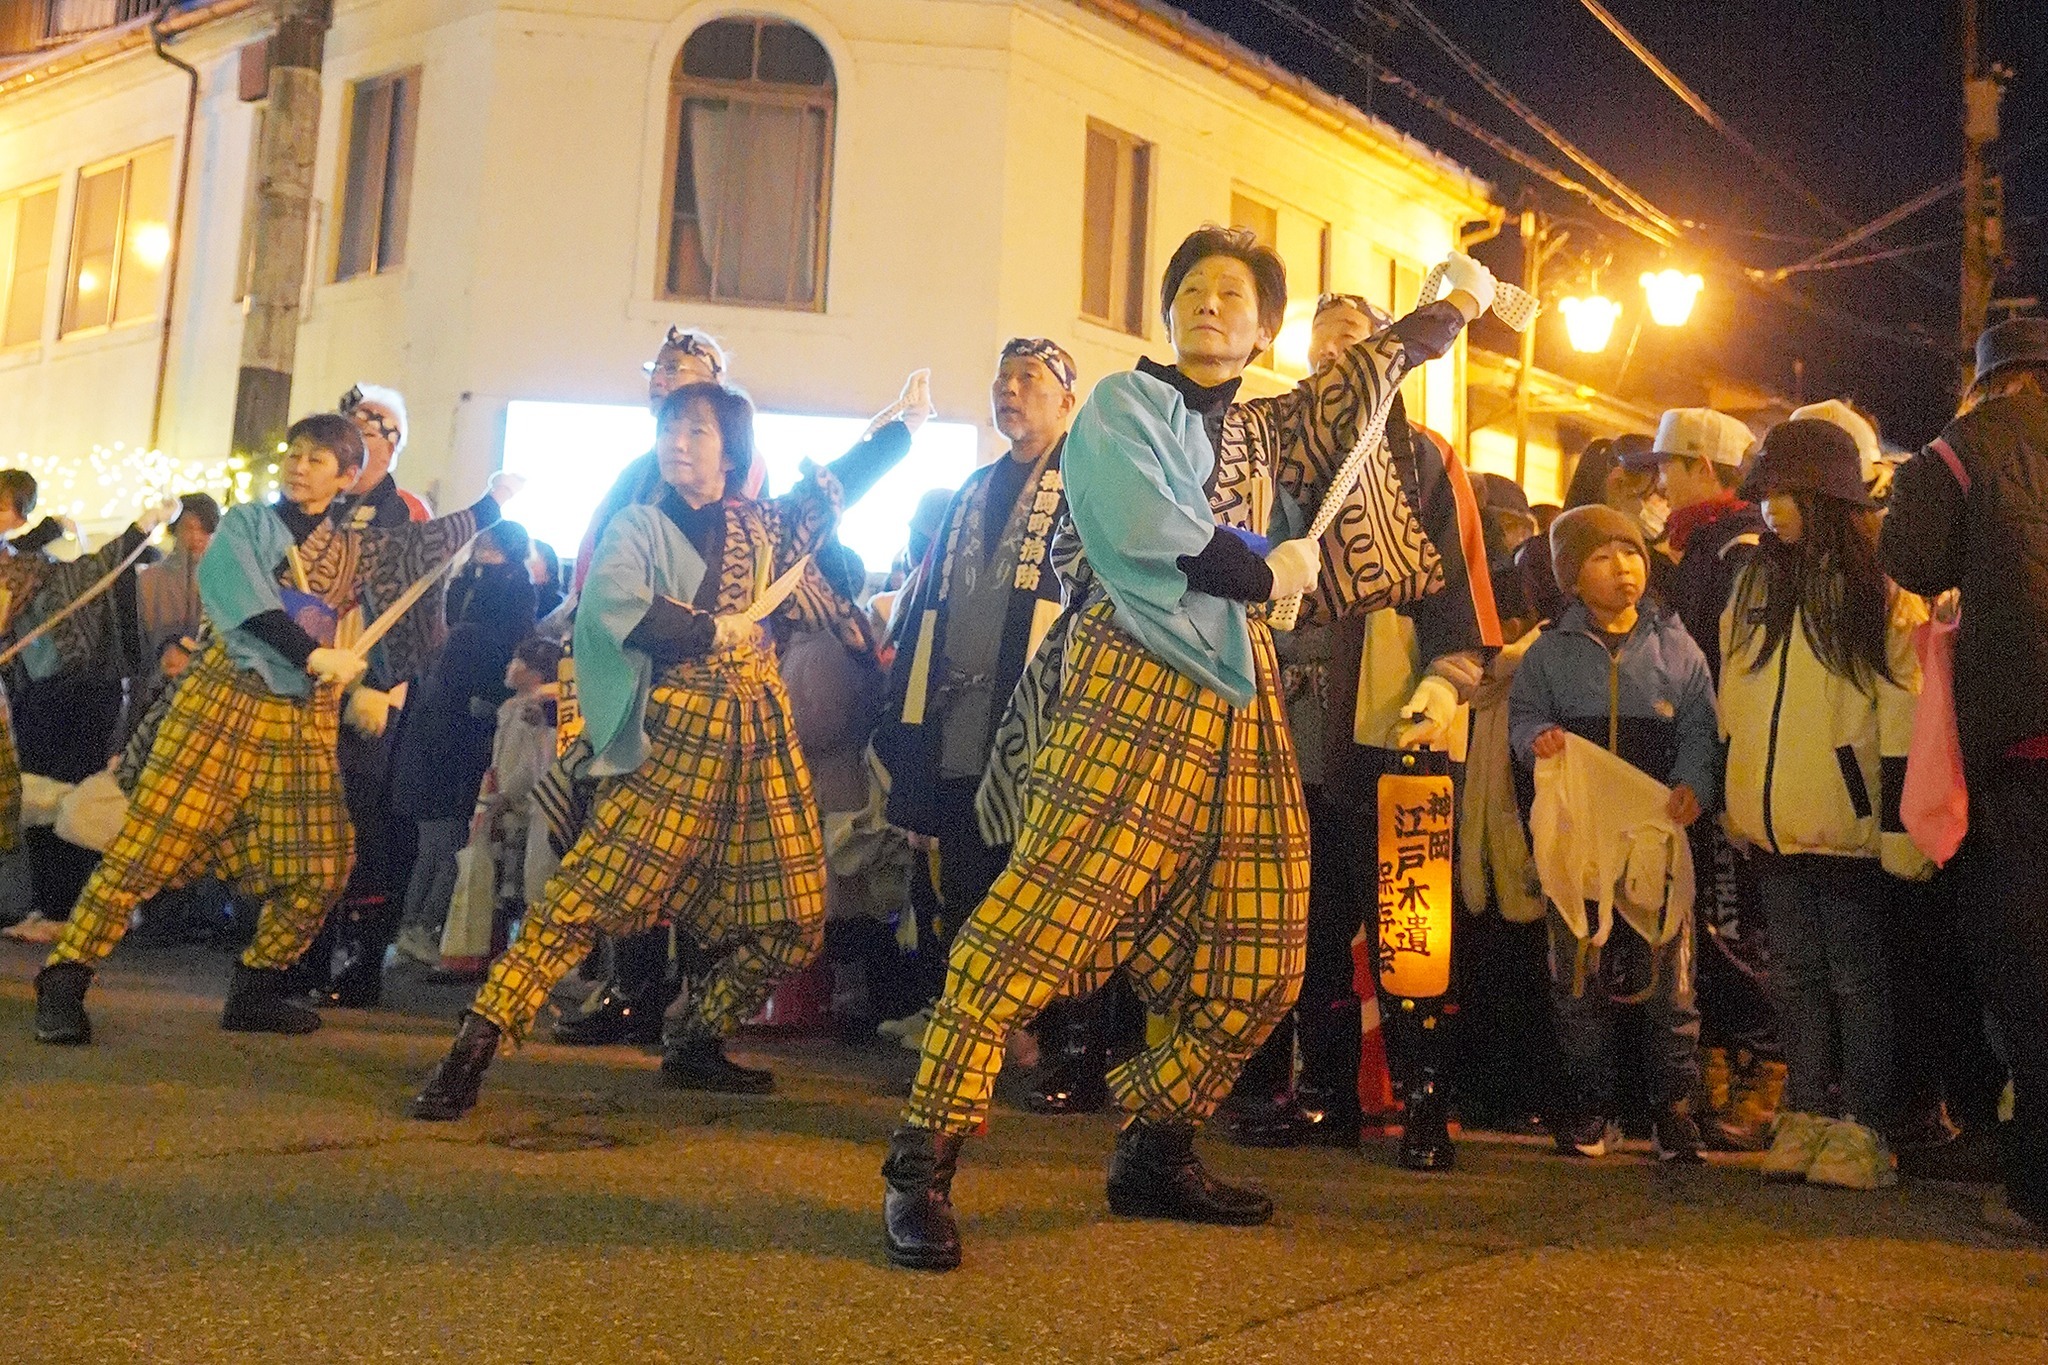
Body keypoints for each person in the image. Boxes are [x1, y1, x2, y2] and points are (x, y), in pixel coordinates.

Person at [881, 225, 1486, 1272]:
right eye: (1194, 291)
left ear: (1261, 330)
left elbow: (1350, 399)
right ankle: (921, 1158)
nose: (1213, 306)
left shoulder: (1262, 423)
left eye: (1236, 296)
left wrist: (1433, 322)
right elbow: (1139, 526)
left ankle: (1154, 1143)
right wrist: (1264, 566)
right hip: (1132, 677)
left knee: (1261, 955)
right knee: (1036, 924)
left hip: (1243, 695)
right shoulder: (1122, 404)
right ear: (1166, 314)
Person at [408, 379, 908, 1119]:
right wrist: (711, 631)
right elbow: (620, 607)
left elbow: (835, 490)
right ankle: (474, 1044)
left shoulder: (766, 526)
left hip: (759, 736)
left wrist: (899, 430)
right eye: (671, 429)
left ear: (731, 451)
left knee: (796, 915)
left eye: (698, 432)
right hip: (674, 732)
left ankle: (699, 1036)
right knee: (583, 899)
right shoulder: (635, 526)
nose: (678, 442)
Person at [32, 414, 520, 1045]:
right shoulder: (245, 524)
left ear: (347, 477)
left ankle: (257, 985)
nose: (299, 466)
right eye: (294, 453)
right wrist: (316, 655)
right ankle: (65, 978)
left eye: (319, 459)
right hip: (220, 705)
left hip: (301, 718)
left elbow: (421, 549)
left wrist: (492, 502)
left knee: (323, 864)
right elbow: (243, 598)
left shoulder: (355, 546)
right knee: (145, 852)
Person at [551, 327, 927, 1047]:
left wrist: (895, 436)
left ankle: (687, 1013)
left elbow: (794, 531)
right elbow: (601, 589)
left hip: (720, 697)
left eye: (691, 383)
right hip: (629, 681)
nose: (671, 389)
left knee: (713, 872)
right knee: (606, 856)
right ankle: (625, 991)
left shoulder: (742, 496)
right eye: (663, 375)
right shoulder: (636, 480)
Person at [1218, 291, 1503, 1172]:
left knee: (1408, 925)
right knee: (1300, 922)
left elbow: (1466, 610)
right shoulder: (1267, 454)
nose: (1338, 356)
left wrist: (1442, 689)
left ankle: (1425, 1102)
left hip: (1392, 726)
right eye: (1323, 345)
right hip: (1287, 726)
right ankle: (1322, 1093)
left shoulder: (1424, 459)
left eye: (1358, 341)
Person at [875, 338, 1121, 1112]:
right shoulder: (969, 491)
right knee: (968, 885)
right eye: (1003, 378)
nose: (1011, 390)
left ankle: (1072, 1046)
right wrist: (910, 739)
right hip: (960, 724)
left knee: (1053, 885)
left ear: (1067, 400)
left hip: (1047, 726)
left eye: (1031, 379)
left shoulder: (1094, 486)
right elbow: (925, 613)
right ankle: (985, 1036)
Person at [1717, 419, 1928, 1191]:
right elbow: (1732, 698)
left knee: (1853, 975)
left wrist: (1899, 820)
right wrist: (1736, 791)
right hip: (1772, 817)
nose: (1770, 509)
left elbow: (1903, 709)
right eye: (1766, 493)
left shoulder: (1881, 588)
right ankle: (1805, 1112)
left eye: (1784, 493)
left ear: (1826, 495)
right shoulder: (1753, 584)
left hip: (1845, 821)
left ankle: (1863, 1123)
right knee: (1797, 972)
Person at [1879, 316, 2048, 1241]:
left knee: (2027, 969)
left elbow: (1913, 560)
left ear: (1990, 381)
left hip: (2020, 747)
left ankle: (2035, 1190)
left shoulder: (1965, 443)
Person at [1509, 504, 1717, 1164]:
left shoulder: (1678, 648)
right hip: (1580, 837)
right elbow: (1523, 718)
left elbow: (1699, 732)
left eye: (1630, 552)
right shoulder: (1547, 654)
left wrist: (1694, 785)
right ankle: (1589, 1103)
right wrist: (1533, 740)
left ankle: (1673, 1107)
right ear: (1571, 577)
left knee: (1670, 976)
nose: (1621, 568)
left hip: (1653, 838)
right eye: (1601, 557)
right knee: (1578, 971)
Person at [304, 382, 437, 1007]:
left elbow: (418, 608)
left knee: (368, 825)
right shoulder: (313, 507)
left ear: (393, 443)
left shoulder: (407, 510)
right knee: (308, 819)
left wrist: (389, 685)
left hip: (373, 684)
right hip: (310, 678)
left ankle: (360, 962)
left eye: (372, 429)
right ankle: (301, 952)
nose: (358, 439)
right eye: (348, 428)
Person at [388, 520, 539, 967]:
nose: (482, 552)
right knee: (450, 848)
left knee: (432, 849)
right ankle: (424, 927)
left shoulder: (453, 638)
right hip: (453, 762)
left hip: (430, 760)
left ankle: (413, 927)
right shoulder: (483, 641)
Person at [133, 493, 220, 704]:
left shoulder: (222, 578)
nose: (197, 537)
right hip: (159, 684)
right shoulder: (151, 579)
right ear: (175, 530)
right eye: (189, 528)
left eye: (204, 530)